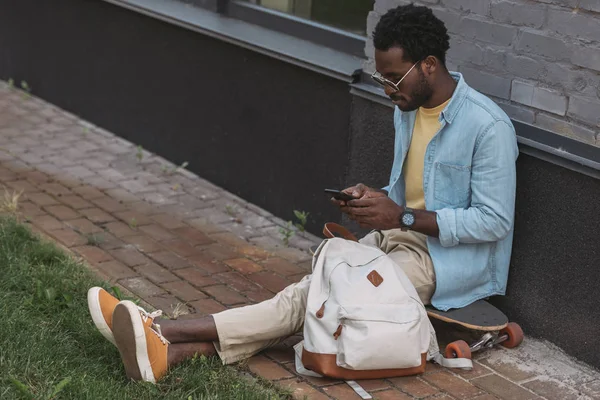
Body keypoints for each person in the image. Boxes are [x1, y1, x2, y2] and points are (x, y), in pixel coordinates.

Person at [87, 4, 518, 383]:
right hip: (399, 238)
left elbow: (493, 220)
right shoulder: (409, 108)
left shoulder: (488, 127)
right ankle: (168, 352)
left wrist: (401, 217)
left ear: (428, 65)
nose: (386, 88)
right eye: (380, 76)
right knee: (312, 295)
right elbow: (410, 193)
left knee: (314, 299)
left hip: (444, 262)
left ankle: (164, 332)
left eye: (392, 77)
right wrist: (374, 197)